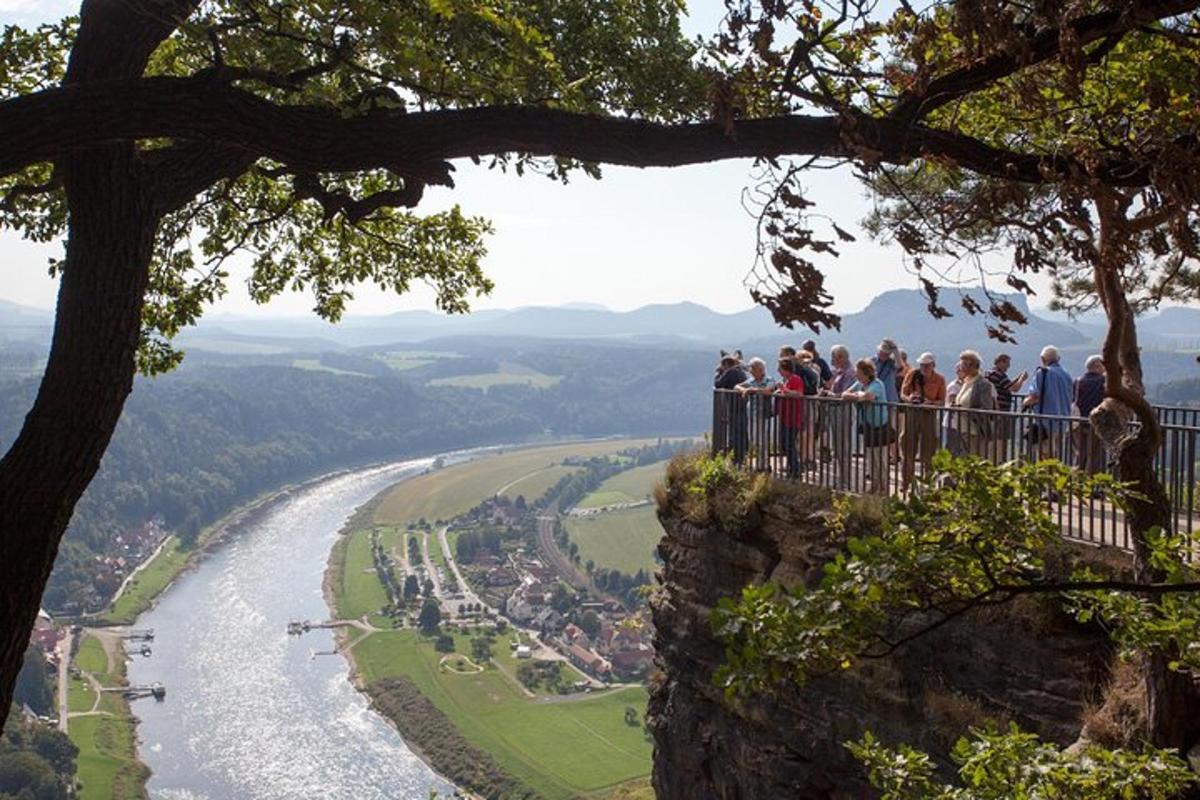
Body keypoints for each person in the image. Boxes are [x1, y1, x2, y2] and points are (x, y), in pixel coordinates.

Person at [843, 358, 892, 495]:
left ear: (865, 373)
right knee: (871, 457)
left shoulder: (877, 384)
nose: (856, 374)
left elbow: (869, 396)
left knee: (881, 458)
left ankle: (884, 487)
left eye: (858, 372)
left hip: (880, 426)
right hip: (868, 426)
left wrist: (860, 396)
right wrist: (857, 396)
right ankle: (875, 485)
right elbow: (845, 394)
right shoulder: (859, 384)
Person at [899, 352, 946, 492]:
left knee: (929, 453)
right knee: (907, 449)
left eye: (927, 365)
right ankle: (906, 482)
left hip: (928, 415)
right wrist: (911, 399)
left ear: (933, 365)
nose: (924, 368)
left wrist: (930, 403)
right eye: (922, 365)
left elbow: (942, 401)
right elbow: (903, 394)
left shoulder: (939, 379)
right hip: (912, 414)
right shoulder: (912, 374)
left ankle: (928, 484)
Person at [1023, 345, 1074, 462]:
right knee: (1057, 456)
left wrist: (1025, 402)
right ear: (1058, 359)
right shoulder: (1067, 375)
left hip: (1045, 423)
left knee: (1045, 456)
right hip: (1063, 421)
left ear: (1042, 359)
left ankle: (1046, 479)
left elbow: (1035, 397)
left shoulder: (1042, 373)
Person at [953, 349, 998, 458]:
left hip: (974, 430)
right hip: (962, 429)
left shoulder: (983, 384)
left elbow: (986, 408)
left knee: (974, 458)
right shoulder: (966, 382)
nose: (960, 367)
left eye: (963, 364)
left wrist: (966, 411)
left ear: (972, 365)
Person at [823, 345, 857, 487]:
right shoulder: (838, 371)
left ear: (841, 358)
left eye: (833, 357)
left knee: (843, 445)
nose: (831, 360)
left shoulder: (849, 373)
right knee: (837, 445)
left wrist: (830, 395)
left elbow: (845, 393)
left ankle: (846, 479)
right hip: (835, 410)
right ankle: (842, 477)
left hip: (843, 410)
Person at [737, 357, 777, 472]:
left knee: (762, 439)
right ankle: (761, 464)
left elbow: (768, 390)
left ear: (760, 369)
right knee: (754, 439)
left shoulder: (769, 380)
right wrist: (743, 389)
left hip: (763, 413)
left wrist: (752, 390)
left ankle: (764, 465)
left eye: (753, 370)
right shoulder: (751, 381)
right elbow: (737, 386)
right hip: (752, 413)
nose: (751, 372)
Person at [985, 353, 1028, 460]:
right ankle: (999, 460)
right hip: (1001, 412)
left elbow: (1006, 385)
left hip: (991, 411)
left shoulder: (989, 374)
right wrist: (1022, 379)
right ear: (1000, 362)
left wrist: (1017, 378)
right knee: (1001, 438)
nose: (1008, 367)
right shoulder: (1000, 375)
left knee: (991, 438)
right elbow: (1014, 389)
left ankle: (991, 459)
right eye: (1007, 364)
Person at [1073, 355, 1107, 475]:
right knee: (1094, 455)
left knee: (1080, 453)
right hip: (1096, 423)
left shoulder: (1077, 381)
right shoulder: (1103, 382)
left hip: (1078, 423)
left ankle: (1077, 482)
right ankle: (1091, 484)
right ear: (1097, 366)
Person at [714, 353, 749, 464]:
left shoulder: (730, 372)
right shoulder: (741, 372)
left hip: (734, 407)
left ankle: (736, 458)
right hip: (743, 406)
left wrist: (719, 373)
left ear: (725, 365)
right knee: (742, 432)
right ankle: (743, 456)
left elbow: (718, 384)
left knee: (734, 433)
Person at [774, 358, 807, 477]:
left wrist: (783, 389)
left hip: (792, 417)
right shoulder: (787, 380)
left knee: (789, 443)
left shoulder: (795, 379)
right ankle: (791, 467)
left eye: (780, 369)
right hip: (785, 416)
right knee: (785, 443)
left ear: (786, 370)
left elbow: (798, 393)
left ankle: (795, 469)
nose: (778, 371)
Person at [943, 360, 967, 456]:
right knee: (952, 449)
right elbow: (951, 402)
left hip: (962, 422)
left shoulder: (966, 385)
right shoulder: (954, 386)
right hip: (953, 422)